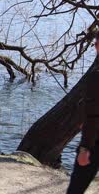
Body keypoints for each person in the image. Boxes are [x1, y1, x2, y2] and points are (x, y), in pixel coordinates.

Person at [67, 32, 99, 193]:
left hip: (95, 143)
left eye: (96, 43)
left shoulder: (96, 76)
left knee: (76, 189)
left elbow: (93, 116)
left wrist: (85, 148)